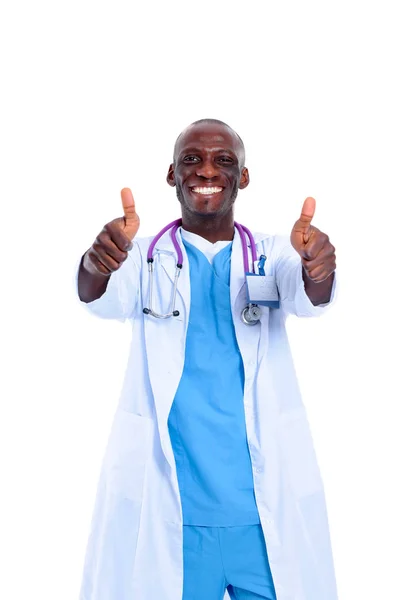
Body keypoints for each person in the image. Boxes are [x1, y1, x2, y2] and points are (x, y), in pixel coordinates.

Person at [76, 118, 338, 600]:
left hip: (261, 518)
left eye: (223, 160)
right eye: (191, 160)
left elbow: (309, 295)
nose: (206, 171)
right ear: (172, 175)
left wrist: (318, 265)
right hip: (173, 517)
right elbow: (99, 298)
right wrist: (97, 262)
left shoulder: (276, 254)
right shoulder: (143, 258)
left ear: (243, 177)